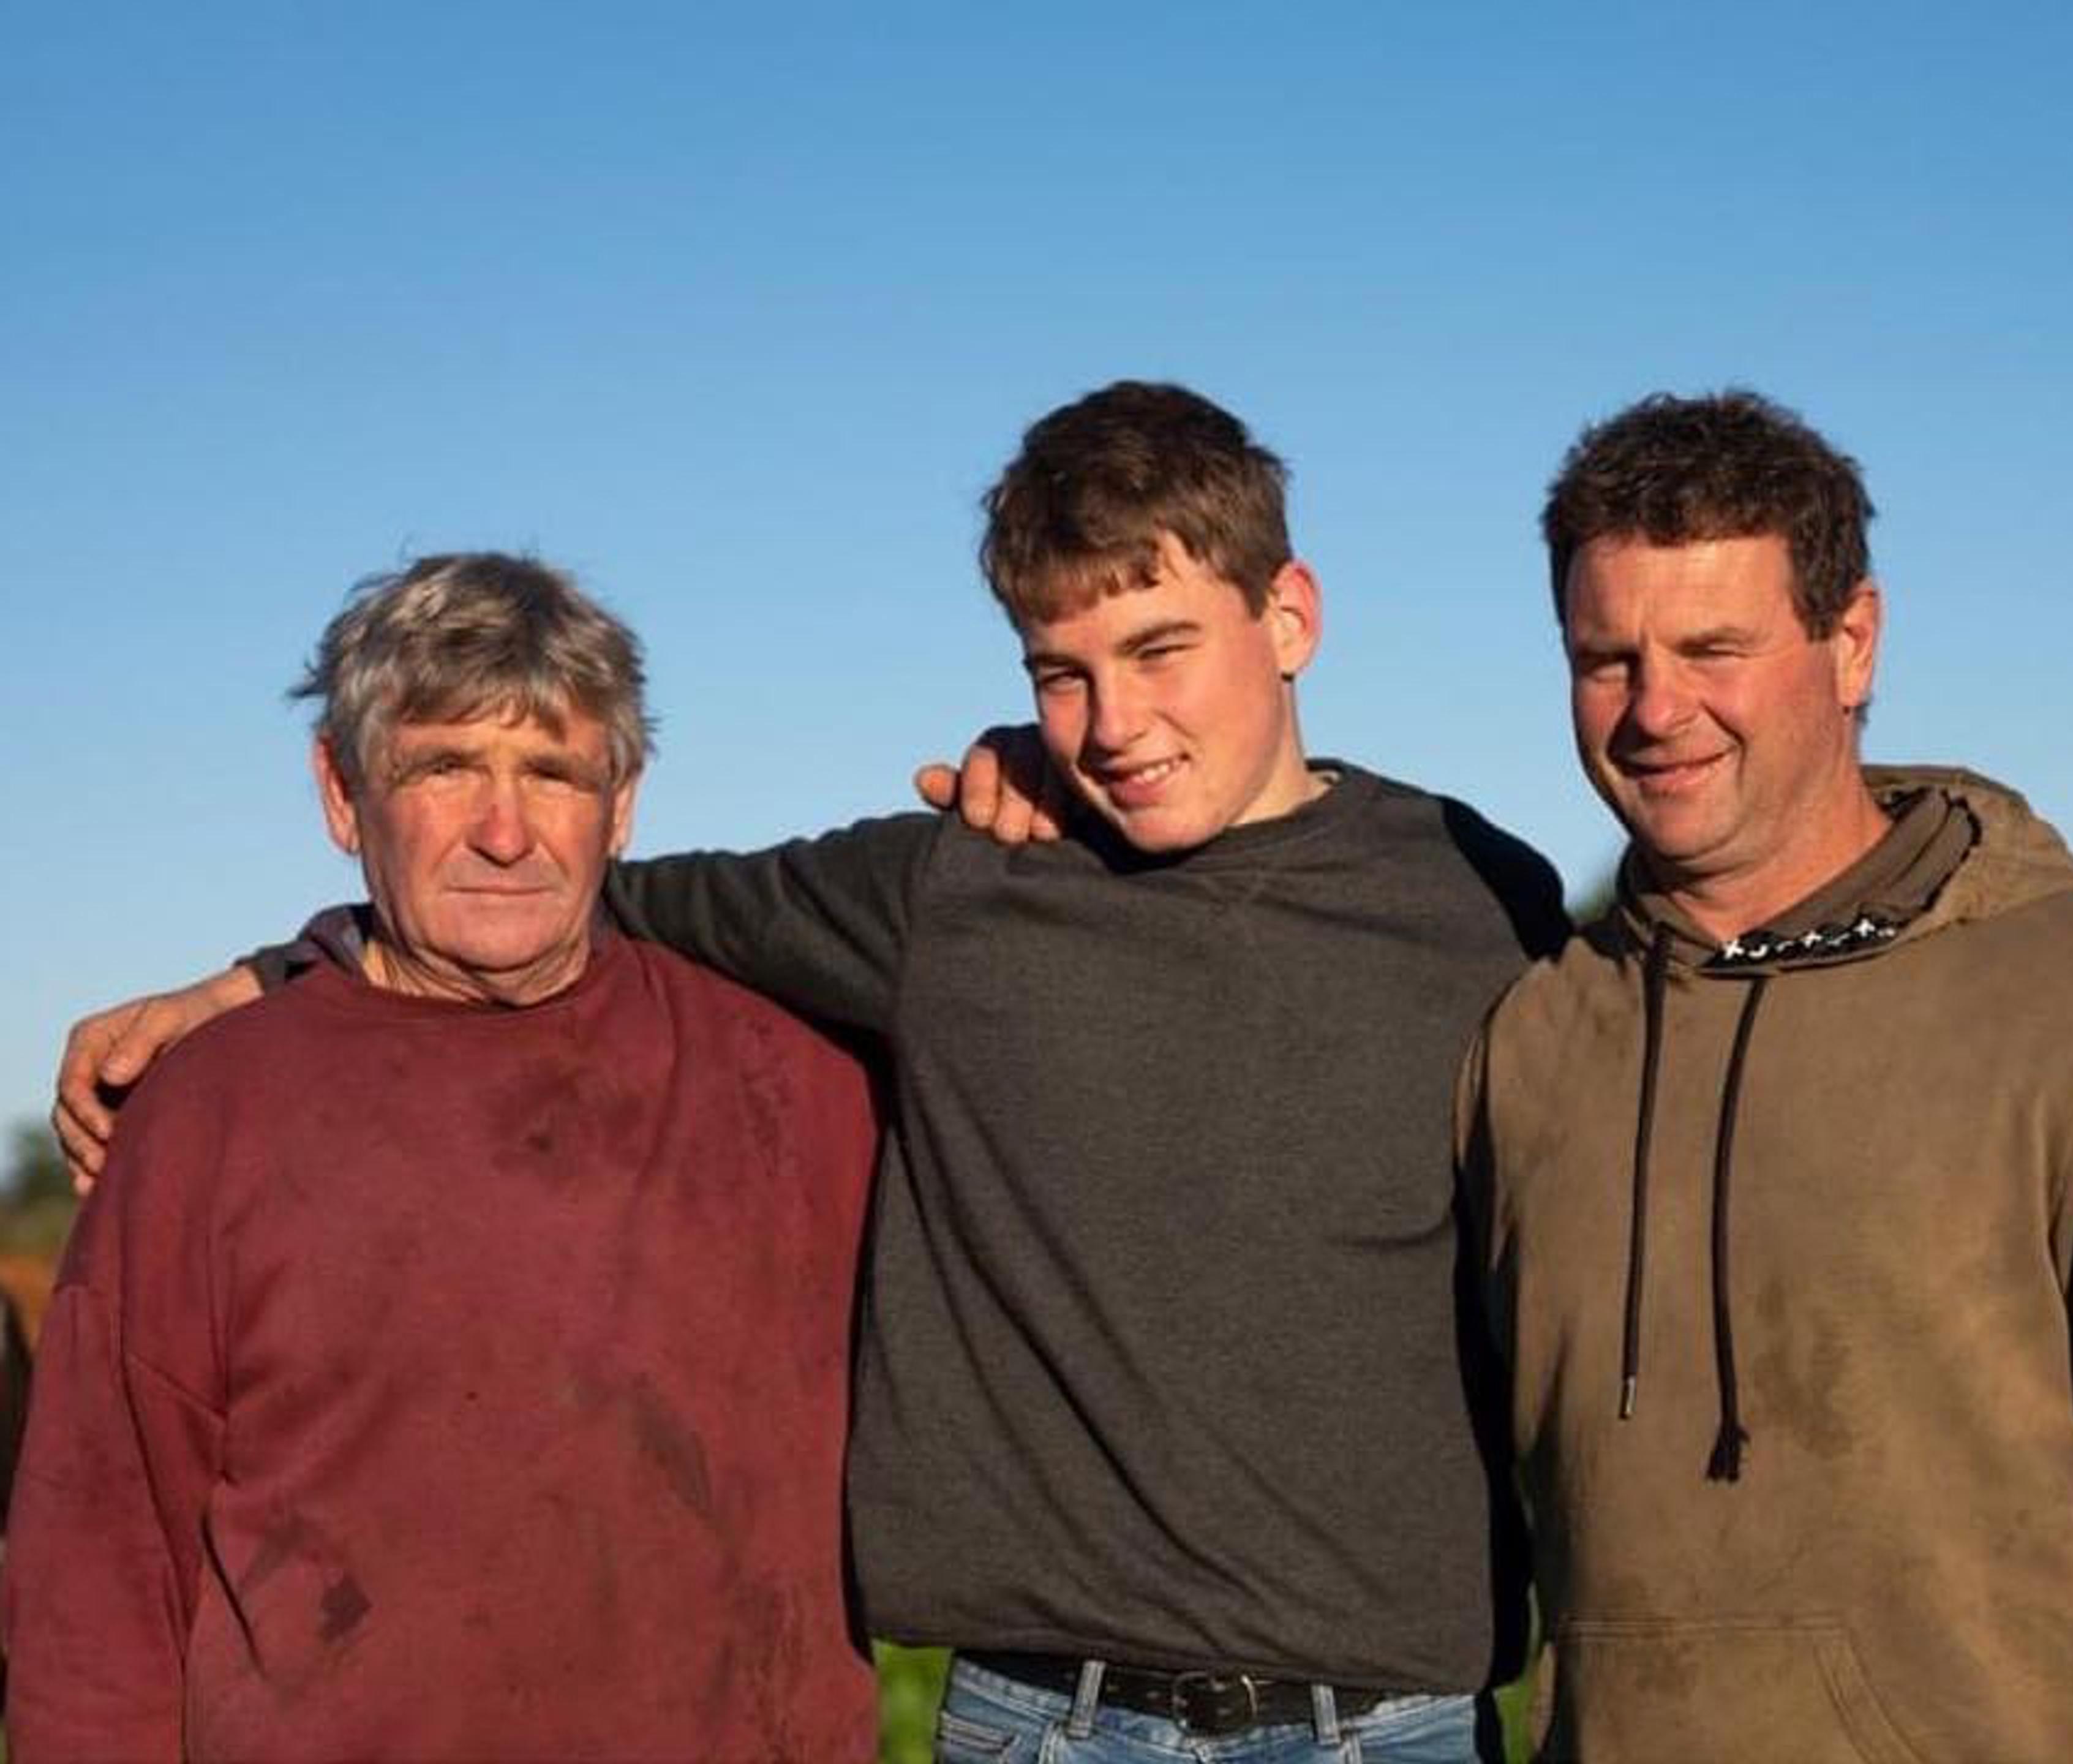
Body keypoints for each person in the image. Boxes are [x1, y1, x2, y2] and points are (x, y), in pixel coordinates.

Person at [51, 385, 1567, 1763]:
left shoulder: (1474, 898)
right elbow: (543, 902)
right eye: (1061, 674)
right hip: (1049, 1724)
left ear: (1290, 616)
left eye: (1160, 650)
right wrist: (269, 977)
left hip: (1393, 1727)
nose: (1115, 726)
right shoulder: (949, 894)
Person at [1458, 390, 2073, 1762]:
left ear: (1853, 640)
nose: (1656, 710)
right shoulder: (1533, 1039)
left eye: (1713, 648)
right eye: (1605, 659)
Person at [5, 555, 878, 1762]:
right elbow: (98, 1571)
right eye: (444, 768)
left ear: (623, 801)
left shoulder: (800, 1087)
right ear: (341, 790)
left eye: (553, 773)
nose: (504, 833)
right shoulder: (205, 1114)